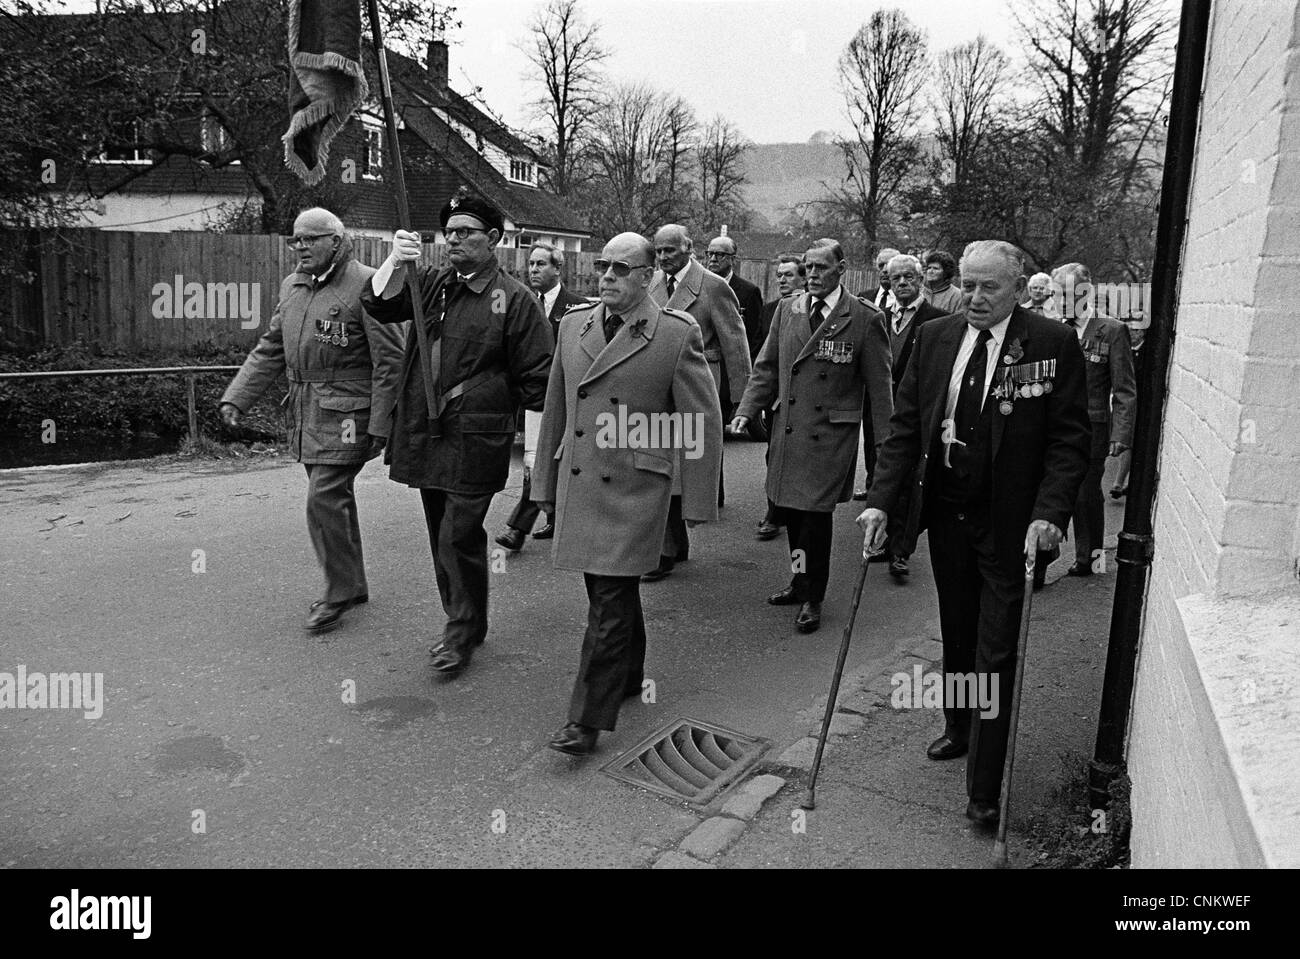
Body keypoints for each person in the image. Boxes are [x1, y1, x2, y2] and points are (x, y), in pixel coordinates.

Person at [857, 240, 1090, 827]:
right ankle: (958, 726)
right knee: (957, 632)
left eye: (991, 287)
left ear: (1016, 287)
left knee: (998, 646)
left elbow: (1068, 442)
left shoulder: (1051, 345)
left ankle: (985, 784)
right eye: (969, 284)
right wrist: (883, 503)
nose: (977, 298)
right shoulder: (935, 338)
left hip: (1012, 525)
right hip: (948, 515)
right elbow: (905, 427)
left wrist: (1050, 514)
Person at [531, 232, 722, 755]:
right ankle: (631, 671)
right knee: (605, 591)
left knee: (609, 600)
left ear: (646, 277)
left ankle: (586, 720)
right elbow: (556, 414)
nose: (608, 278)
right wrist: (542, 485)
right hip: (581, 480)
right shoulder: (574, 326)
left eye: (621, 269)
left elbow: (699, 421)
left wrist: (698, 502)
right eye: (602, 268)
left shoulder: (674, 334)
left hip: (635, 488)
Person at [360, 191, 553, 678]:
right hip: (428, 432)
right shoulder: (432, 283)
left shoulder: (515, 299)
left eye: (465, 232)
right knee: (439, 531)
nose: (454, 240)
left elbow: (540, 381)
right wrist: (394, 259)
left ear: (493, 240)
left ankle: (461, 628)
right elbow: (379, 305)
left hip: (476, 438)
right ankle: (467, 618)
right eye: (449, 233)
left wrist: (534, 452)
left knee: (458, 534)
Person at [220, 208, 404, 634]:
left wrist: (381, 422)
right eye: (295, 240)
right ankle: (353, 582)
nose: (299, 247)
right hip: (305, 409)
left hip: (348, 414)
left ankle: (338, 592)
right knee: (333, 499)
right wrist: (238, 397)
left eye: (309, 239)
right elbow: (270, 348)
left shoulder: (369, 283)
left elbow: (390, 360)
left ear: (336, 242)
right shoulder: (293, 286)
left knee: (323, 497)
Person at [731, 239, 893, 634]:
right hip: (788, 431)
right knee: (791, 514)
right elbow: (766, 368)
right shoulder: (789, 309)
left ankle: (813, 597)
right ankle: (799, 579)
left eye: (821, 267)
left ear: (841, 268)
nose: (813, 275)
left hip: (828, 437)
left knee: (814, 520)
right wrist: (746, 410)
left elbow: (880, 388)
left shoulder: (863, 317)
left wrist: (888, 447)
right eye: (808, 267)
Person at [646, 224, 750, 579]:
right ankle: (671, 545)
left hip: (697, 384)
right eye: (658, 252)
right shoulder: (654, 284)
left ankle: (667, 547)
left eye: (670, 251)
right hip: (659, 387)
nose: (662, 259)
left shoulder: (713, 286)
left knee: (682, 465)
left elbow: (736, 344)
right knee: (660, 462)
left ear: (688, 248)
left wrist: (743, 402)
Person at [1033, 262, 1135, 583]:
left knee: (1085, 494)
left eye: (1067, 292)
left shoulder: (1111, 330)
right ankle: (1041, 557)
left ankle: (1091, 559)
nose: (1060, 299)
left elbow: (1124, 390)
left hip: (1092, 428)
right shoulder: (1046, 326)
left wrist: (1121, 434)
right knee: (1044, 489)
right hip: (1048, 426)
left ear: (1086, 293)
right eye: (1056, 293)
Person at [494, 242, 587, 553]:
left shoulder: (577, 307)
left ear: (557, 269)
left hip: (563, 396)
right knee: (537, 460)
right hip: (532, 398)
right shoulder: (519, 303)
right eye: (531, 264)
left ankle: (520, 526)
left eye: (541, 264)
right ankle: (549, 517)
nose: (533, 270)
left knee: (554, 460)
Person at [872, 253, 949, 580]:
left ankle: (900, 549)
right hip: (878, 408)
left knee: (909, 478)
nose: (902, 283)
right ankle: (881, 535)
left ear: (921, 281)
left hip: (916, 412)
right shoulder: (878, 317)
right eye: (895, 278)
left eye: (909, 277)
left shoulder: (936, 320)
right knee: (880, 470)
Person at [754, 254, 806, 542]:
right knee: (774, 454)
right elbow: (764, 354)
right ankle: (773, 513)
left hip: (806, 398)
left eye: (788, 275)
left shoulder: (812, 310)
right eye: (779, 275)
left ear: (802, 278)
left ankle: (792, 511)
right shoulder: (771, 309)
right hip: (777, 397)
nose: (781, 280)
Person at [706, 235, 765, 363]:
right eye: (709, 254)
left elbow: (755, 336)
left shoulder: (749, 291)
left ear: (733, 260)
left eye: (719, 255)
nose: (712, 259)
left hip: (733, 364)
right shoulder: (699, 287)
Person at [921, 250, 965, 315]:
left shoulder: (957, 296)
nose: (930, 271)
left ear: (946, 272)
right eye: (929, 268)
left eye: (935, 268)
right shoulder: (919, 292)